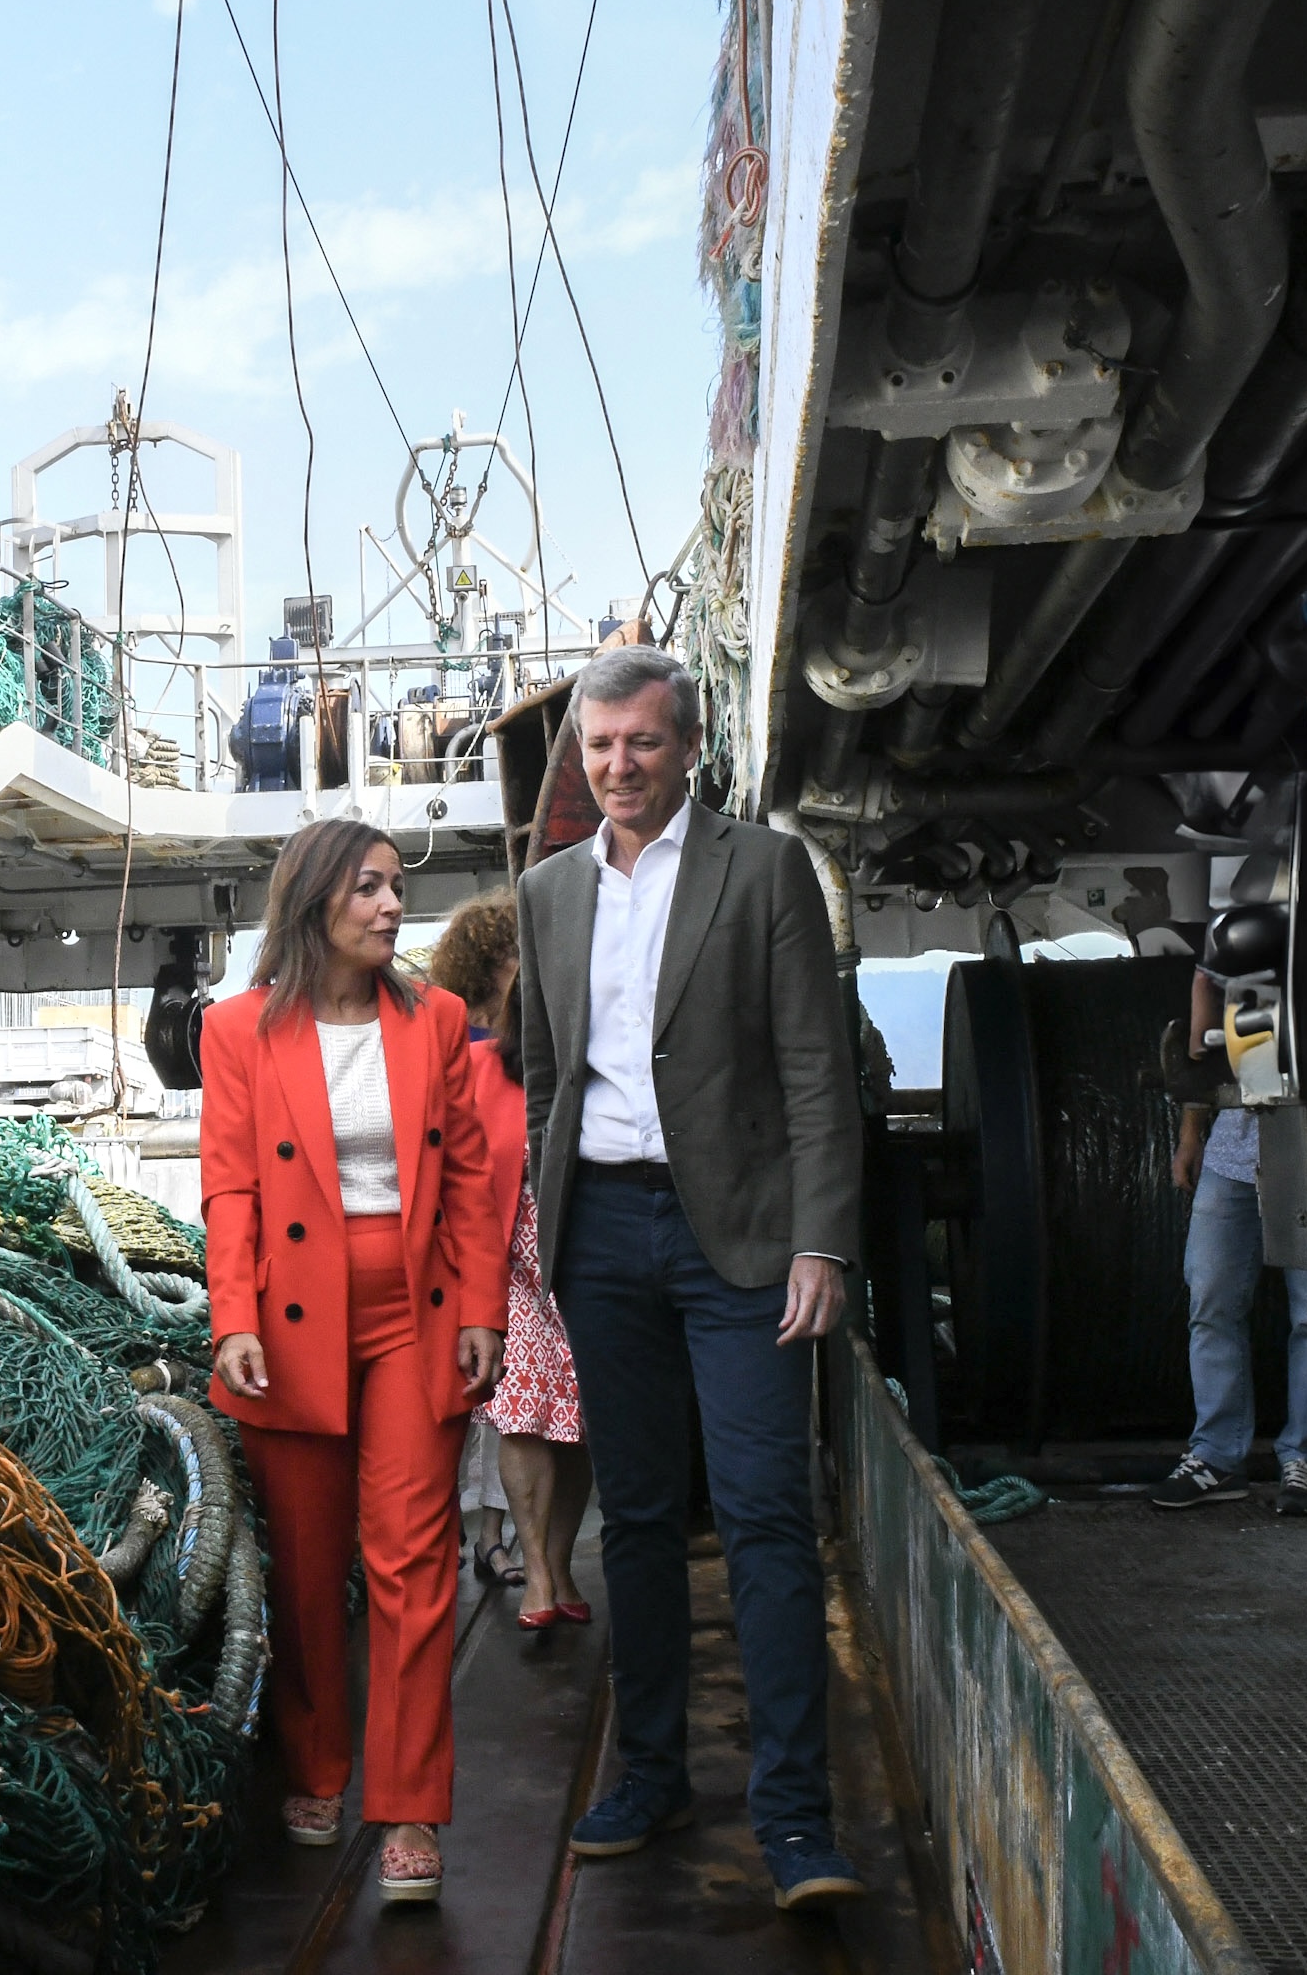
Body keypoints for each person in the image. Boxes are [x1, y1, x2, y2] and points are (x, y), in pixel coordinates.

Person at [512, 643, 867, 1910]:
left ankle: (796, 1819)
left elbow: (817, 1069)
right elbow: (545, 1076)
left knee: (767, 1513)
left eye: (643, 742)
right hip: (603, 1237)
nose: (620, 766)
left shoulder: (762, 869)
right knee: (639, 1518)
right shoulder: (548, 891)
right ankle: (651, 1773)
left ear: (689, 747)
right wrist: (555, 1230)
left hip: (745, 1240)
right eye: (601, 745)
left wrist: (821, 1238)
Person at [202, 817, 508, 1904]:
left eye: (394, 889)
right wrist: (233, 1316)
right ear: (316, 901)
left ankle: (410, 1806)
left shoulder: (438, 1020)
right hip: (291, 1320)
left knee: (413, 1561)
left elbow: (470, 1179)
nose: (391, 907)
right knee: (304, 1563)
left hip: (417, 1315)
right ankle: (317, 1764)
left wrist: (483, 1306)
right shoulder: (237, 1029)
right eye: (369, 888)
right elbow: (229, 1185)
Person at [429, 889, 593, 1631]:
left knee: (579, 1419)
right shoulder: (467, 1063)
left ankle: (560, 1565)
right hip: (507, 1266)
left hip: (581, 1254)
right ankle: (537, 1575)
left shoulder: (576, 1052)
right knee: (524, 1413)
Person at [1158, 968, 1307, 1515]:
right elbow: (1206, 1050)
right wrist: (1191, 1136)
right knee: (1211, 1300)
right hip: (1231, 1156)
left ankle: (1303, 1462)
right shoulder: (1244, 947)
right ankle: (1217, 1456)